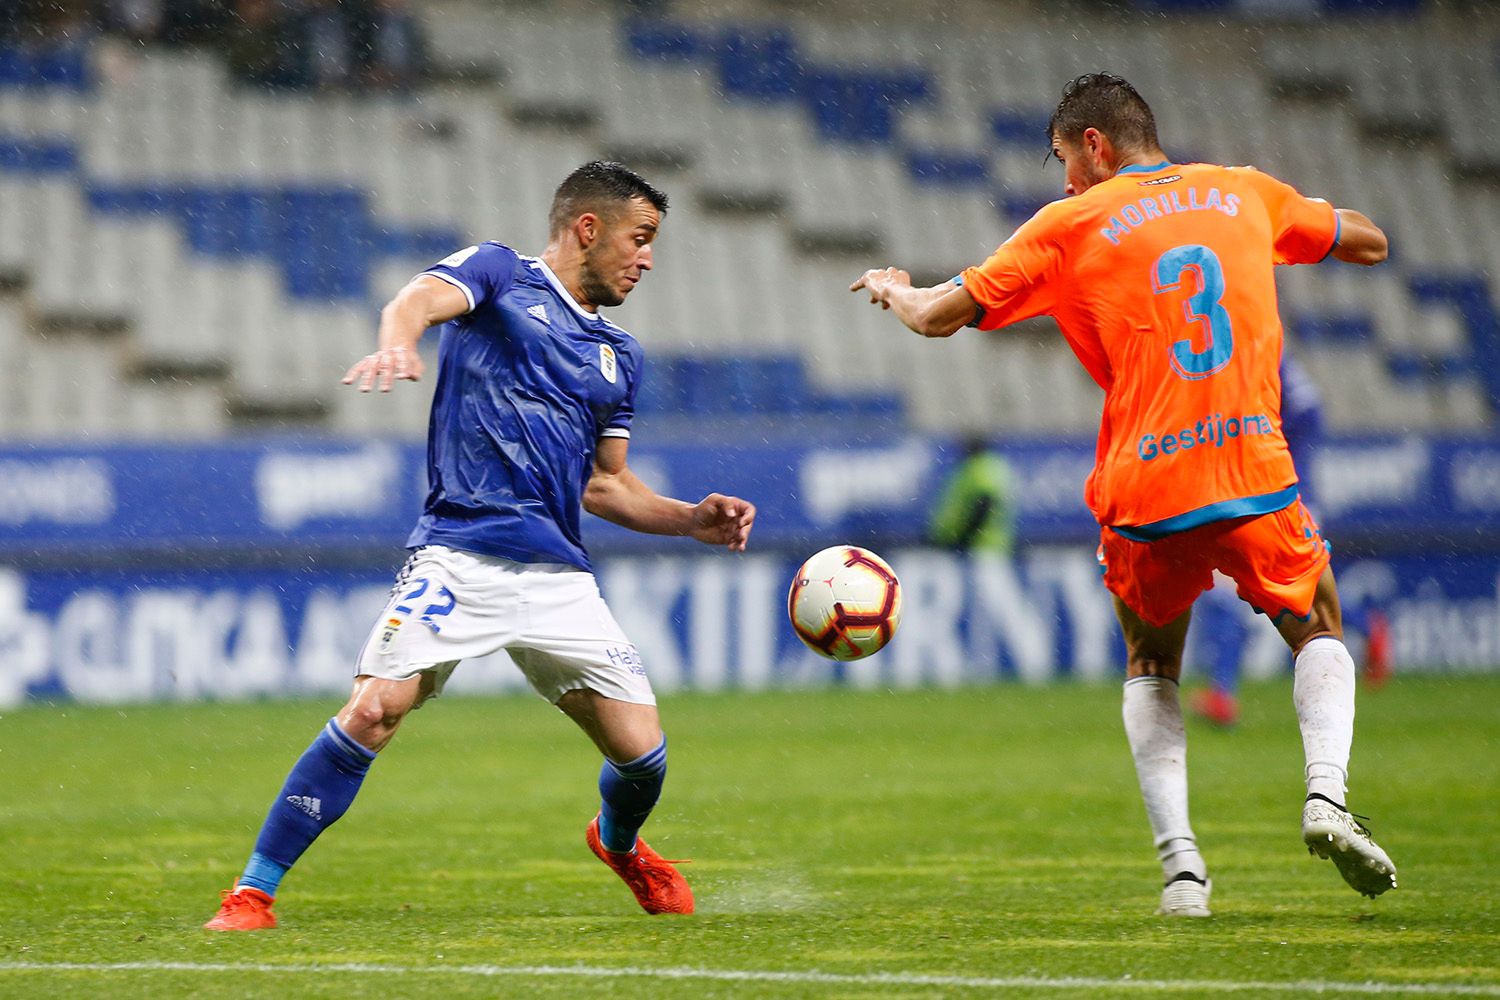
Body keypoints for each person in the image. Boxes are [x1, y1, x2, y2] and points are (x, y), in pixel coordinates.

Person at [851, 73, 1396, 916]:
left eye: (1067, 158)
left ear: (1096, 146)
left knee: (1151, 664)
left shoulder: (1070, 222)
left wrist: (893, 289)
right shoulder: (1243, 191)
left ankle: (1183, 871)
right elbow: (1368, 241)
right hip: (1250, 468)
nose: (1066, 179)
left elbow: (934, 316)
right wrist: (1288, 216)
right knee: (1318, 624)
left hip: (1145, 482)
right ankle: (1326, 795)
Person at [204, 160, 757, 931]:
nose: (649, 258)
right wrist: (399, 341)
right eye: (641, 237)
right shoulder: (500, 272)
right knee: (372, 712)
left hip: (558, 576)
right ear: (588, 229)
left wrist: (691, 518)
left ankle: (620, 843)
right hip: (458, 554)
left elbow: (605, 487)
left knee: (642, 754)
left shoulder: (618, 357)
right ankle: (251, 894)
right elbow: (418, 299)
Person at [1189, 352, 1324, 728]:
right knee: (1256, 592)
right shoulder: (1265, 354)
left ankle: (1222, 692)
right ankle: (1221, 691)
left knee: (1278, 595)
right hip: (1271, 498)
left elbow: (1308, 417)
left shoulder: (1263, 356)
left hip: (1281, 500)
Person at [928, 436, 1016, 554]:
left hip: (980, 546)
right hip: (982, 544)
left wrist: (965, 536)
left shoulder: (981, 468)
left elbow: (984, 504)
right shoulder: (987, 467)